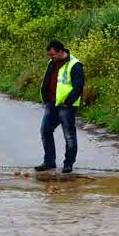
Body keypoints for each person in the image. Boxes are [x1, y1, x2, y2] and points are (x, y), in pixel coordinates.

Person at [36, 39, 84, 174]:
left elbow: (78, 87)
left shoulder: (75, 65)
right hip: (51, 104)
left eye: (53, 55)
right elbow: (47, 80)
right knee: (45, 130)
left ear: (61, 51)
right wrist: (45, 98)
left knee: (69, 136)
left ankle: (68, 164)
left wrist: (68, 102)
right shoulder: (52, 63)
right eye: (50, 55)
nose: (51, 58)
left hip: (66, 106)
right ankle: (49, 161)